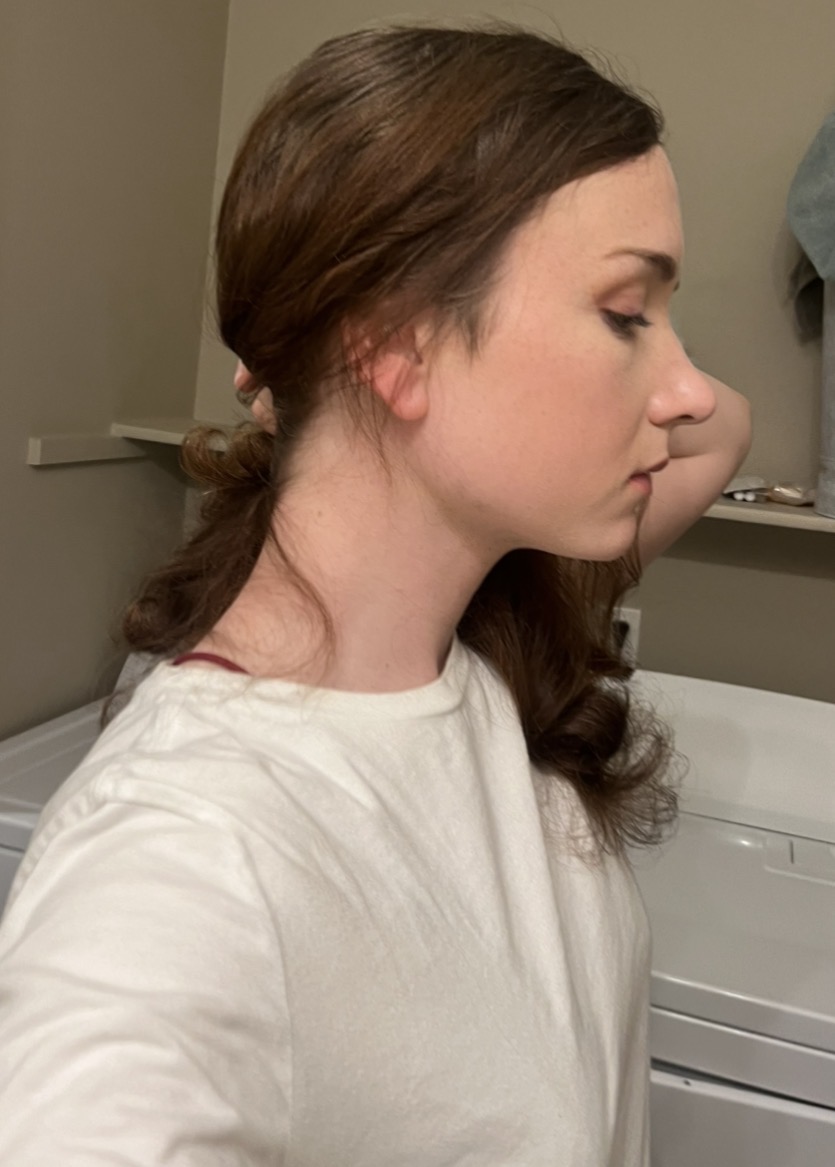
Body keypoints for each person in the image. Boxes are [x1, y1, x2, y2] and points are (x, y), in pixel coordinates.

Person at [0, 23, 751, 1166]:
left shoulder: (490, 623)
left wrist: (314, 374)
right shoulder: (181, 868)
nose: (687, 387)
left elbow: (719, 430)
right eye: (624, 311)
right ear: (399, 347)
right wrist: (320, 364)